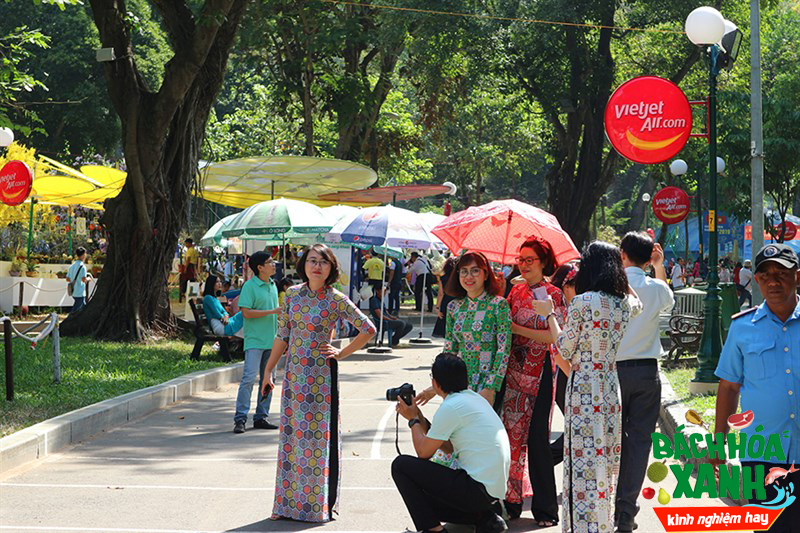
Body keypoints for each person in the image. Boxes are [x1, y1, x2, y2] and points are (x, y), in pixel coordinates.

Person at [262, 243, 376, 522]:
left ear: (331, 268)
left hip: (320, 380)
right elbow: (283, 334)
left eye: (323, 262)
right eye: (312, 260)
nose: (317, 266)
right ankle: (284, 505)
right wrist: (268, 371)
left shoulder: (335, 299)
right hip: (293, 377)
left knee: (315, 441)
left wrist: (342, 352)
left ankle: (315, 506)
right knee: (290, 439)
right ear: (304, 264)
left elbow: (368, 329)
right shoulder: (291, 295)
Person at [548, 241, 642, 533]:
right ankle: (601, 524)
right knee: (605, 460)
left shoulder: (582, 302)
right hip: (609, 385)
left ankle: (582, 527)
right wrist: (622, 281)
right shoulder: (623, 304)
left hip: (584, 388)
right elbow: (636, 300)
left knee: (582, 462)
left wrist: (550, 315)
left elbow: (564, 347)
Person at [713, 243, 800, 533]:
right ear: (757, 280)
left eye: (782, 273)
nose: (773, 280)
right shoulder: (742, 327)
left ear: (797, 276)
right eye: (765, 275)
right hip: (761, 454)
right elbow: (728, 388)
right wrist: (719, 442)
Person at [392, 353, 510, 533]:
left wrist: (413, 419)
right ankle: (485, 518)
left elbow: (423, 453)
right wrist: (421, 418)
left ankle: (435, 530)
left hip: (475, 490)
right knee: (424, 489)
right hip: (489, 493)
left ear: (436, 384)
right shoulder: (473, 398)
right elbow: (448, 447)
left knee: (401, 466)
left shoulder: (451, 406)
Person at [501, 237, 566, 527]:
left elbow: (555, 337)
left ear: (543, 262)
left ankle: (546, 509)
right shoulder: (514, 292)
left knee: (538, 441)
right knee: (511, 438)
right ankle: (511, 501)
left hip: (540, 373)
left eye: (530, 260)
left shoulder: (554, 295)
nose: (524, 264)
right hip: (513, 373)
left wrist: (515, 327)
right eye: (521, 259)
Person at [614, 232, 675, 532]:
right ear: (649, 256)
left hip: (613, 373)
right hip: (647, 373)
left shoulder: (610, 287)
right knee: (639, 443)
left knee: (611, 441)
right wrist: (659, 266)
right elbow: (669, 298)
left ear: (622, 253)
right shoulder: (654, 288)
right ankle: (626, 511)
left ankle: (607, 502)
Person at [416, 252, 512, 411]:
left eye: (475, 270)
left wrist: (491, 387)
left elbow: (504, 349)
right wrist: (437, 385)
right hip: (459, 384)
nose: (469, 276)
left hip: (487, 384)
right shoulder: (453, 307)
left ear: (486, 274)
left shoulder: (498, 305)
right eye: (464, 271)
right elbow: (449, 351)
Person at [232, 251, 281, 434]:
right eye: (270, 262)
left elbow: (276, 314)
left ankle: (261, 416)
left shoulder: (273, 285)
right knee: (248, 379)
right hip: (254, 341)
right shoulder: (250, 286)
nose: (274, 264)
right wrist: (272, 312)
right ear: (259, 267)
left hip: (272, 340)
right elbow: (246, 313)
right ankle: (240, 418)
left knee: (269, 380)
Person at [547, 261, 579, 465]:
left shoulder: (571, 306)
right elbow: (559, 349)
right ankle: (542, 462)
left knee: (575, 428)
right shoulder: (560, 308)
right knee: (575, 428)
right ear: (567, 286)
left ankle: (543, 461)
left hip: (564, 372)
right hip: (561, 373)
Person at [433, 257, 457, 338]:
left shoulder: (442, 278)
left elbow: (440, 293)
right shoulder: (458, 277)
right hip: (457, 301)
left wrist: (437, 307)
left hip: (446, 302)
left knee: (445, 322)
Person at [66, 247, 89, 314]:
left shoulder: (72, 266)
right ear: (83, 255)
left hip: (73, 291)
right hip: (80, 291)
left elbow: (67, 279)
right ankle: (68, 321)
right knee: (75, 310)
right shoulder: (83, 267)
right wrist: (88, 279)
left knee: (83, 309)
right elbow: (83, 279)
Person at [179, 238, 200, 303]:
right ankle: (191, 292)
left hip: (189, 266)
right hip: (193, 266)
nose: (186, 244)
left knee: (183, 278)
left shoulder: (189, 251)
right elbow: (197, 260)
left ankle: (183, 292)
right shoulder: (195, 250)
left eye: (186, 243)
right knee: (192, 279)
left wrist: (185, 267)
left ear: (189, 243)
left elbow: (188, 259)